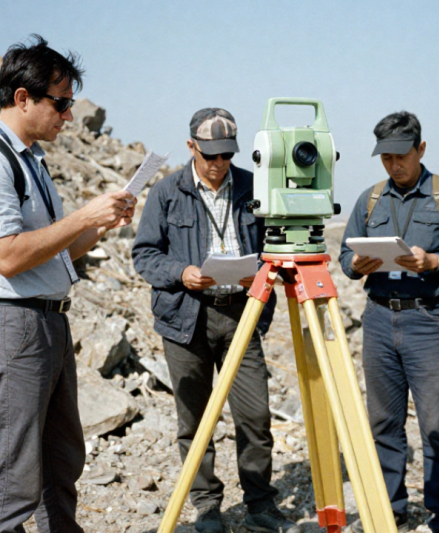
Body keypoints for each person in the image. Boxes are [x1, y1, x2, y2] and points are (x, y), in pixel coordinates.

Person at [0, 36, 135, 533]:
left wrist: (97, 226)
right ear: (22, 98)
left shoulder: (32, 160)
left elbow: (50, 252)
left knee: (60, 465)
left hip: (47, 324)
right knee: (13, 479)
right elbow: (8, 257)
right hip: (12, 327)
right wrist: (81, 215)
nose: (69, 116)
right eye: (61, 103)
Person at [132, 108, 297, 533]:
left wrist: (263, 268)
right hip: (186, 320)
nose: (219, 164)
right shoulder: (166, 193)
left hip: (242, 314)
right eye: (211, 155)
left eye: (227, 155)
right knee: (195, 420)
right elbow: (145, 255)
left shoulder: (252, 187)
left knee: (255, 417)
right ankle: (207, 507)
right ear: (192, 147)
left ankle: (260, 503)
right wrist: (182, 273)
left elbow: (275, 244)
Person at [339, 111, 439, 533]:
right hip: (380, 320)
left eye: (401, 156)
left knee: (437, 425)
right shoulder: (370, 199)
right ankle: (389, 511)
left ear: (421, 149)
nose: (394, 165)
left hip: (428, 320)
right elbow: (345, 259)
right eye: (385, 158)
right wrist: (357, 264)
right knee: (383, 421)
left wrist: (433, 261)